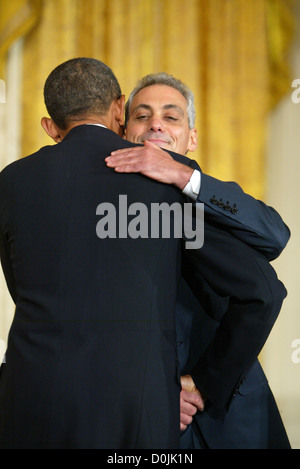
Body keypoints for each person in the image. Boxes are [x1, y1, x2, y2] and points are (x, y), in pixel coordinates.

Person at [0, 58, 204, 449]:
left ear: (50, 126)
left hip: (31, 395)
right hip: (134, 402)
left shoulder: (11, 180)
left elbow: (19, 283)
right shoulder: (165, 174)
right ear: (119, 107)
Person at [105, 72, 291, 448]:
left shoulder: (211, 200)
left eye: (171, 117)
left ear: (191, 138)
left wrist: (179, 174)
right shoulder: (100, 212)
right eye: (142, 116)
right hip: (138, 416)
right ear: (124, 133)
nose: (155, 122)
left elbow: (275, 236)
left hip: (231, 416)